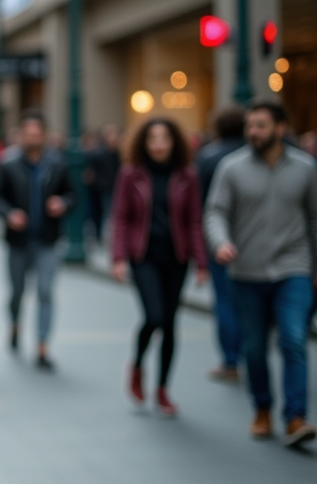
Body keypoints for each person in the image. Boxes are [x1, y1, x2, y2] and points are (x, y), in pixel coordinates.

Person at [205, 100, 317, 447]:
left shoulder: (306, 168)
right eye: (249, 126)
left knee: (293, 340)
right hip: (246, 271)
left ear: (280, 129)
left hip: (293, 267)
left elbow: (314, 218)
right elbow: (216, 212)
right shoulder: (231, 167)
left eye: (261, 125)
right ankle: (263, 409)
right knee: (254, 348)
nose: (253, 132)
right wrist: (221, 242)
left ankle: (295, 417)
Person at [111, 117, 208, 416]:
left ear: (173, 141)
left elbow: (194, 219)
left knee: (169, 323)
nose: (159, 144)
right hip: (144, 256)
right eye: (153, 138)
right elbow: (121, 217)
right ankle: (138, 365)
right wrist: (118, 258)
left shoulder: (186, 176)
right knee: (154, 316)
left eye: (164, 138)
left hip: (176, 257)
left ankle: (163, 389)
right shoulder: (131, 174)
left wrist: (202, 262)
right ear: (144, 142)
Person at [0, 110, 74, 371]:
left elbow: (73, 194)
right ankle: (15, 324)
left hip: (47, 241)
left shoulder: (57, 164)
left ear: (44, 135)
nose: (32, 138)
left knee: (46, 291)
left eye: (37, 134)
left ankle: (42, 346)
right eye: (28, 134)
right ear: (21, 135)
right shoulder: (7, 164)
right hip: (17, 242)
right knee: (17, 292)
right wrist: (8, 213)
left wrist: (63, 203)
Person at [195, 106, 246, 382]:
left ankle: (230, 359)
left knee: (225, 299)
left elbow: (200, 202)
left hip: (218, 238)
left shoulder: (209, 156)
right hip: (250, 238)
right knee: (247, 300)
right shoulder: (251, 154)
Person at [85, 124, 121, 242]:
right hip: (103, 189)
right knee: (104, 214)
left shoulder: (122, 154)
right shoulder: (98, 154)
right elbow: (91, 173)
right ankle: (102, 237)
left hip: (118, 189)